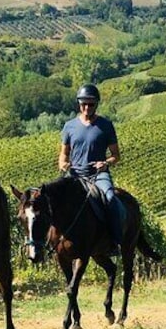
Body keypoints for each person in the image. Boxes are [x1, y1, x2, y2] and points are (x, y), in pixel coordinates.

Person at [58, 84, 123, 255]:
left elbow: (116, 155)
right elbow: (63, 155)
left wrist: (106, 163)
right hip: (75, 175)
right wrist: (63, 165)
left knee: (110, 198)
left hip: (97, 176)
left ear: (96, 105)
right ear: (79, 104)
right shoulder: (69, 126)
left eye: (91, 104)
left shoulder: (106, 125)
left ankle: (114, 242)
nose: (87, 107)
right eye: (83, 104)